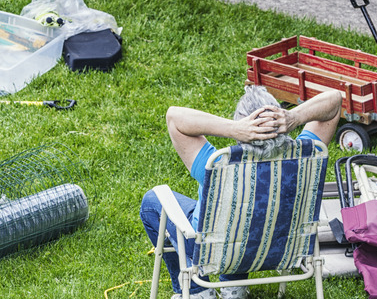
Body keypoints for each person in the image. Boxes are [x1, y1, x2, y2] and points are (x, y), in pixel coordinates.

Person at [140, 86, 342, 299]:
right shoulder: (305, 159)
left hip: (215, 251)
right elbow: (335, 100)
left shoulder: (217, 166)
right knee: (251, 224)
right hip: (279, 247)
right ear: (281, 118)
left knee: (152, 202)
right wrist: (296, 116)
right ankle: (234, 286)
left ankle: (197, 291)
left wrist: (232, 128)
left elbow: (174, 116)